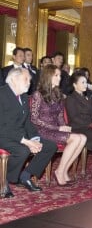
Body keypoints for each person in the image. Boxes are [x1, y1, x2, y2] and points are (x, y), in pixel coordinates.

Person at [0, 68, 57, 197]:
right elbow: (2, 127)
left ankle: (25, 176)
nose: (29, 82)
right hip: (3, 135)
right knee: (22, 150)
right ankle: (3, 181)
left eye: (30, 80)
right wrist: (26, 141)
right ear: (14, 79)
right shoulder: (1, 94)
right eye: (26, 79)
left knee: (49, 146)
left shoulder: (24, 97)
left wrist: (35, 139)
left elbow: (27, 122)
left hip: (19, 135)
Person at [30, 64, 87, 186]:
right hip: (43, 130)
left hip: (56, 129)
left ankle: (64, 170)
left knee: (83, 138)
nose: (59, 78)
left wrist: (64, 126)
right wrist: (58, 128)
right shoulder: (37, 94)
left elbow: (60, 116)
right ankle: (59, 171)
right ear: (48, 76)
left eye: (60, 75)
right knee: (76, 138)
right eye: (56, 75)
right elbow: (34, 119)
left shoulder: (58, 94)